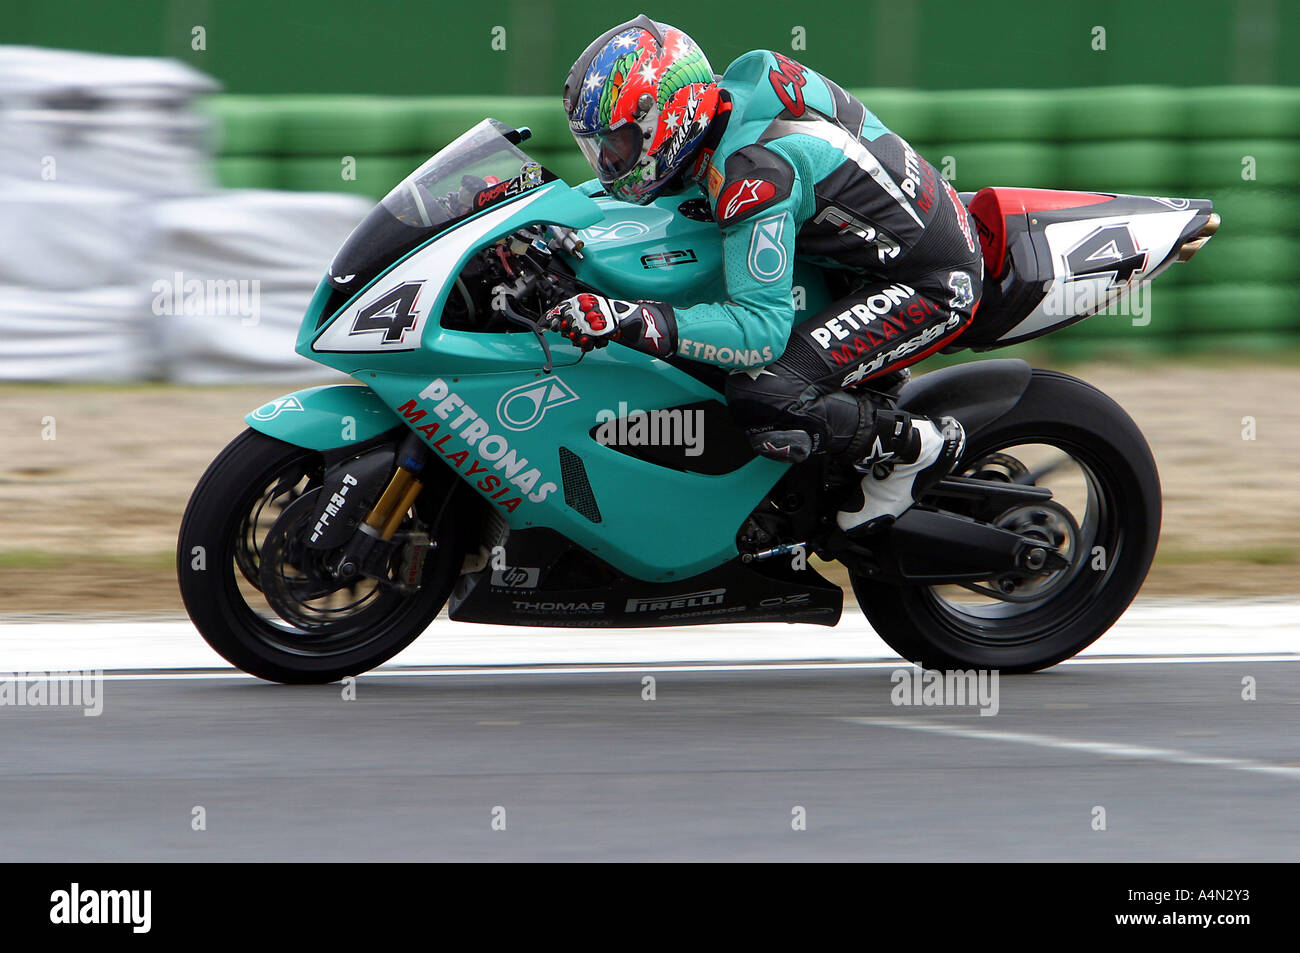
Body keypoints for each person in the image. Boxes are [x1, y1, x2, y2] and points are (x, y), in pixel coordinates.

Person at [543, 15, 982, 536]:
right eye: (599, 151)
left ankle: (919, 447)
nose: (610, 165)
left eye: (619, 146)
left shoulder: (751, 175)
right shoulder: (732, 97)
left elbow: (758, 333)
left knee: (765, 392)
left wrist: (633, 321)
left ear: (669, 117)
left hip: (928, 280)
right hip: (868, 247)